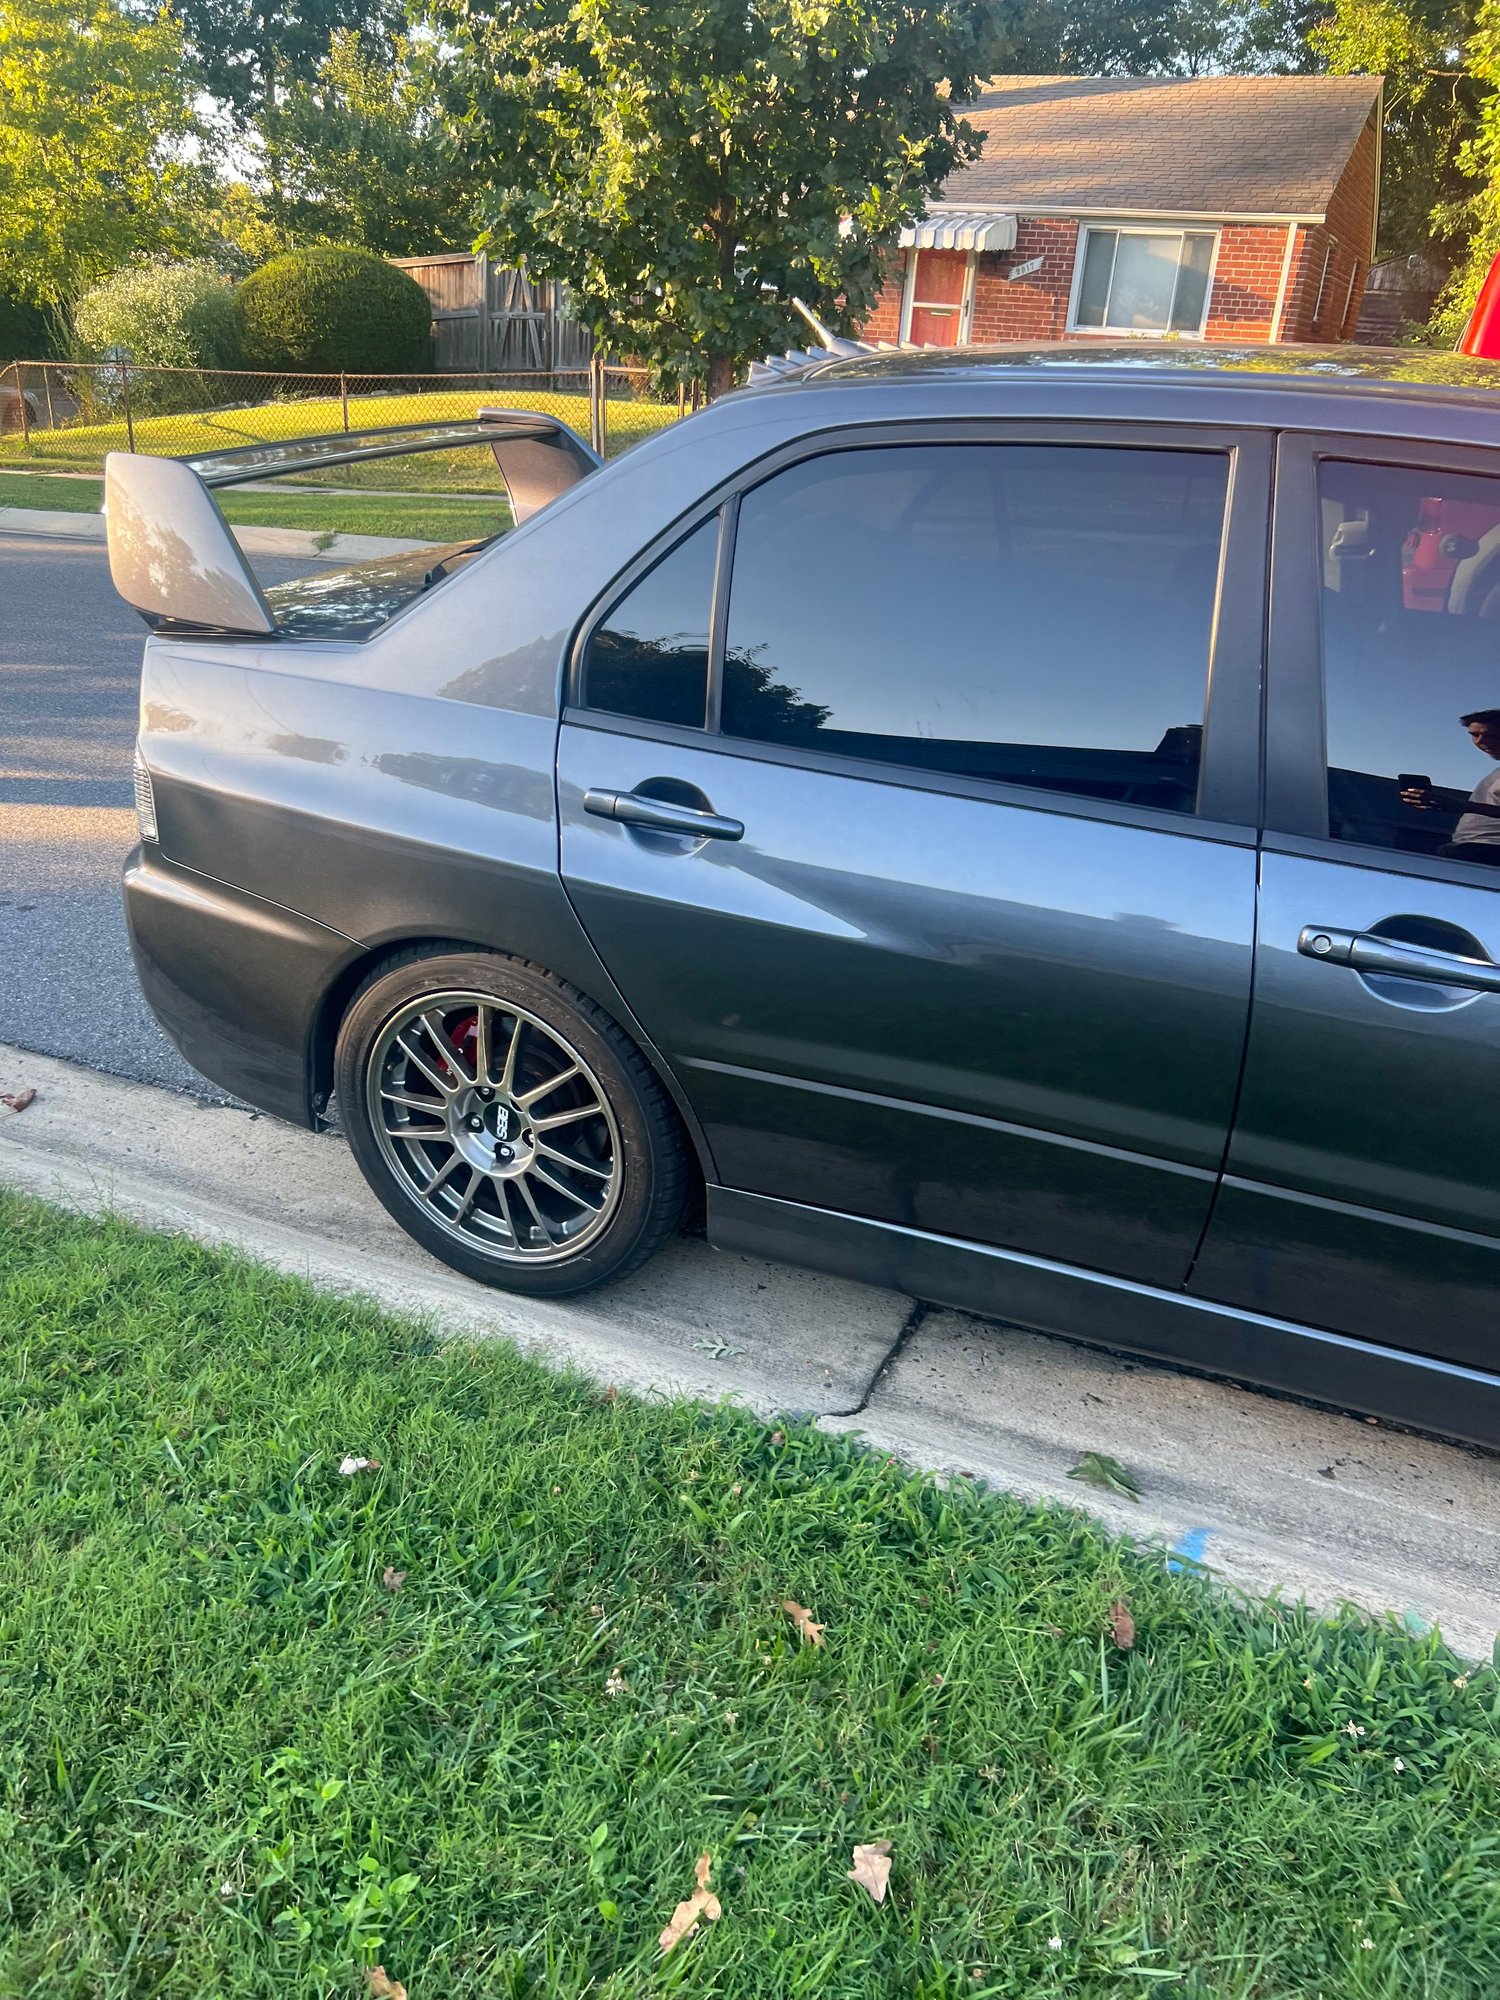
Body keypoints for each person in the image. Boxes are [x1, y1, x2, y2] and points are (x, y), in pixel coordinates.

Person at [1400, 709, 1500, 863]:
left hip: (1485, 851)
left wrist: (1459, 805)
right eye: (1474, 735)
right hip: (1469, 847)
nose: (1480, 741)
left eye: (1491, 735)